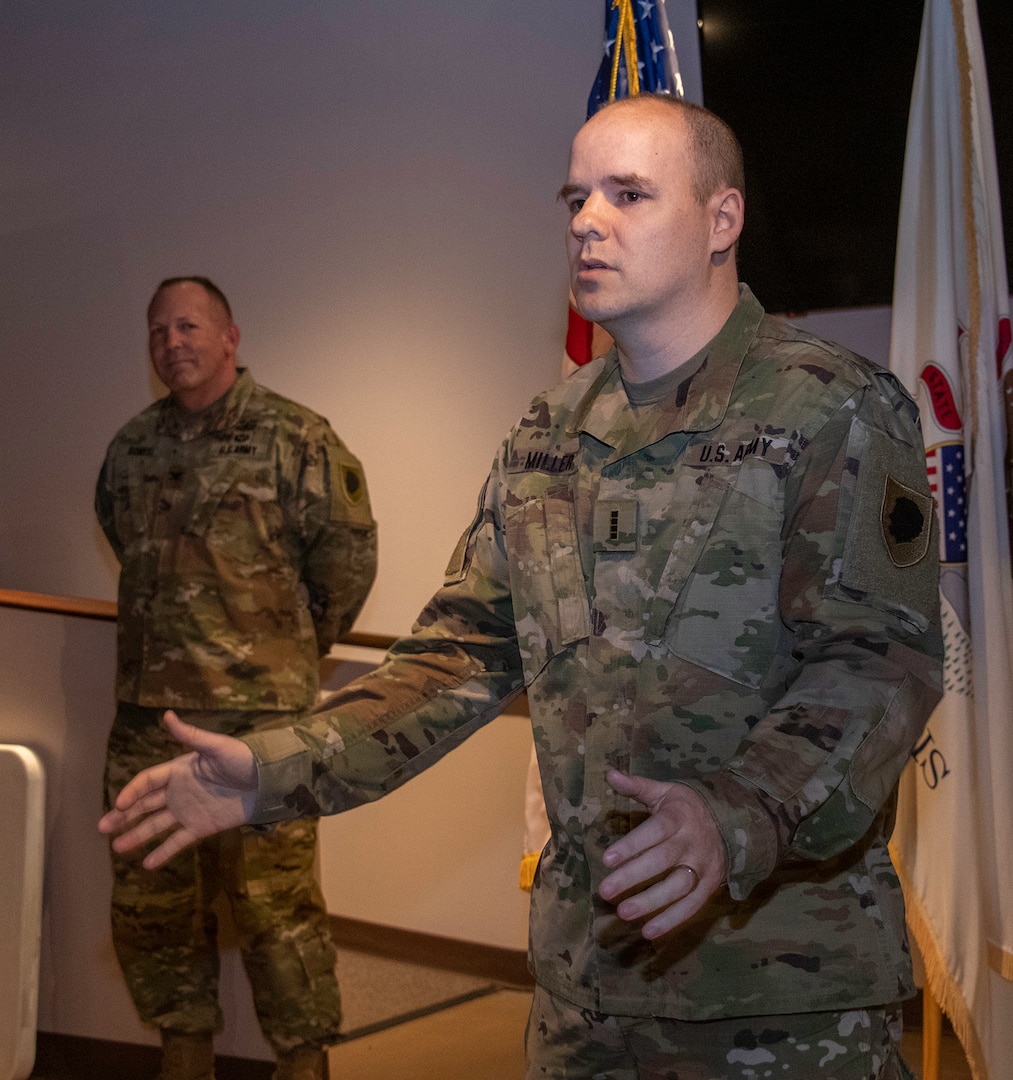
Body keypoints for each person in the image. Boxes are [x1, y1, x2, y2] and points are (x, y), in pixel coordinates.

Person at [101, 98, 943, 1079]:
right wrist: (275, 767)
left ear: (721, 220)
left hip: (775, 1000)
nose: (587, 219)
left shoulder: (827, 407)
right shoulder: (546, 435)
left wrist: (738, 809)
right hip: (583, 992)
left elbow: (874, 666)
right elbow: (454, 659)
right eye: (575, 196)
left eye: (627, 194)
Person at [95, 276, 377, 1080]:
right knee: (155, 907)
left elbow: (346, 562)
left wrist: (285, 656)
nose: (172, 344)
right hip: (147, 722)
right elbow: (127, 543)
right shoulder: (130, 447)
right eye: (157, 331)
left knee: (275, 909)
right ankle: (182, 1056)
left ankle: (303, 1062)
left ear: (230, 336)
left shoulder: (297, 438)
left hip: (261, 728)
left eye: (188, 327)